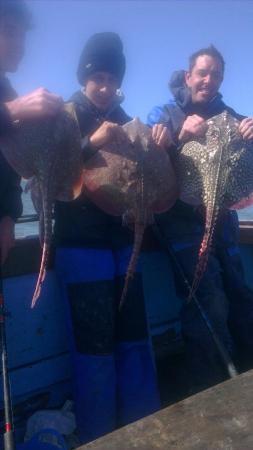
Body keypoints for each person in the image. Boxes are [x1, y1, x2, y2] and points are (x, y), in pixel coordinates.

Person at [53, 32, 170, 444]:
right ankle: (99, 435)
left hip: (124, 241)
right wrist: (89, 144)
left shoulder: (126, 120)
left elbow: (148, 177)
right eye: (97, 77)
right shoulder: (63, 117)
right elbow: (47, 177)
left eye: (111, 79)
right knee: (94, 347)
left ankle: (146, 427)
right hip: (81, 245)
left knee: (136, 338)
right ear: (84, 79)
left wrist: (161, 144)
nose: (104, 86)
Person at [147, 45, 253, 393]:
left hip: (222, 222)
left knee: (238, 291)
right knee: (208, 299)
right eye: (203, 73)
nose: (210, 80)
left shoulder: (231, 117)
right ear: (188, 75)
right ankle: (211, 388)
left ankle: (246, 369)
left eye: (217, 74)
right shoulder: (163, 113)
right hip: (181, 224)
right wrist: (179, 138)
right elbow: (145, 168)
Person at [0, 0, 63, 265]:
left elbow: (11, 170)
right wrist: (12, 111)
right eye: (10, 32)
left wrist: (8, 216)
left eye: (23, 36)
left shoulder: (8, 92)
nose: (19, 45)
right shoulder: (12, 102)